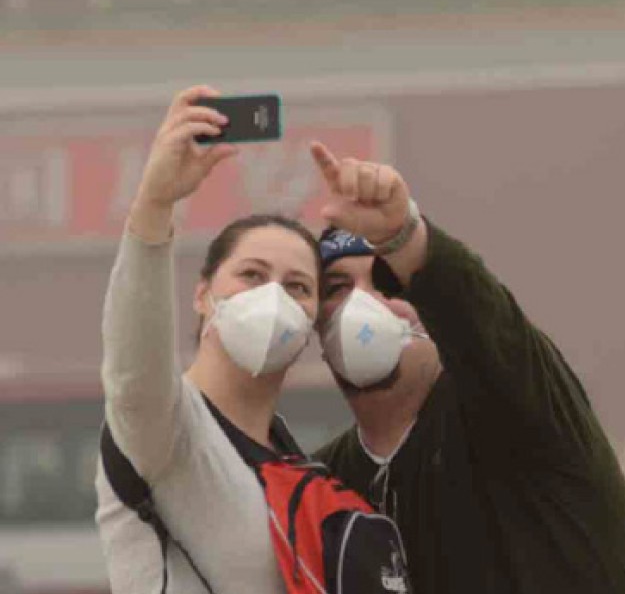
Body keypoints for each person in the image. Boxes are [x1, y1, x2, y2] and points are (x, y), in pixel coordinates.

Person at [94, 87, 399, 594]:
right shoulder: (165, 432)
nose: (273, 297)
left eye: (298, 287)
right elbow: (132, 370)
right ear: (203, 296)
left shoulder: (299, 465)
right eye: (252, 275)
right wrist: (154, 204)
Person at [308, 143, 625, 594]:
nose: (364, 304)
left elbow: (484, 319)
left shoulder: (514, 412)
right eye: (337, 287)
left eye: (388, 282)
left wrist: (404, 237)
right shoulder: (323, 482)